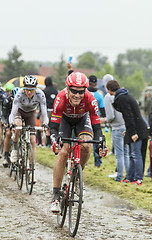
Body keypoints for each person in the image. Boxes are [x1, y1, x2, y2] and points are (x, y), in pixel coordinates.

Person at [49, 72, 106, 213]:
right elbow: (54, 127)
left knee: (86, 145)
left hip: (82, 120)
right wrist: (55, 140)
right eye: (74, 91)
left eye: (81, 92)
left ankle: (76, 177)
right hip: (65, 121)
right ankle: (56, 195)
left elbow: (97, 128)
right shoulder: (60, 98)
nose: (77, 95)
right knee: (63, 151)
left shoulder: (90, 99)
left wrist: (100, 144)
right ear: (67, 89)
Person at [106, 80, 148, 186]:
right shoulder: (125, 95)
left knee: (136, 154)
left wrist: (133, 132)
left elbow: (128, 116)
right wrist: (128, 130)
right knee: (131, 155)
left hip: (137, 129)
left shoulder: (121, 98)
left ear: (109, 89)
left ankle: (138, 179)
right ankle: (129, 178)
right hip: (137, 127)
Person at [9, 75, 49, 183]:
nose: (29, 92)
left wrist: (45, 124)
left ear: (36, 88)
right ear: (24, 88)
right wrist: (12, 123)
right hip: (19, 112)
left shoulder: (40, 94)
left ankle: (31, 172)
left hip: (31, 113)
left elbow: (44, 113)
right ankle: (15, 148)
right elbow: (13, 112)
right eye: (27, 90)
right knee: (18, 126)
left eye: (32, 90)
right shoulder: (19, 93)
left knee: (32, 141)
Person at [100, 74, 128, 182]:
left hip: (117, 128)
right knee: (126, 153)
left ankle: (119, 176)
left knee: (119, 154)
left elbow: (111, 116)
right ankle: (127, 175)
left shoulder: (108, 97)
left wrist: (104, 120)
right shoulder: (122, 94)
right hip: (125, 126)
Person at [88, 75, 106, 168]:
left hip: (85, 120)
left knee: (82, 140)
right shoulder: (99, 95)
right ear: (96, 84)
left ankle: (81, 160)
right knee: (97, 141)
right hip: (96, 120)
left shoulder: (85, 93)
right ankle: (97, 162)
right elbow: (102, 109)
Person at [2, 87, 19, 167]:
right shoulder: (7, 101)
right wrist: (5, 122)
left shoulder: (23, 100)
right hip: (9, 117)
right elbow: (4, 115)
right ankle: (6, 155)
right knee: (8, 133)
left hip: (18, 119)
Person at [42, 76, 58, 147]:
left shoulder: (44, 91)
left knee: (44, 127)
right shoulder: (55, 91)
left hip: (46, 111)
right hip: (54, 111)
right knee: (53, 128)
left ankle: (43, 143)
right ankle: (53, 143)